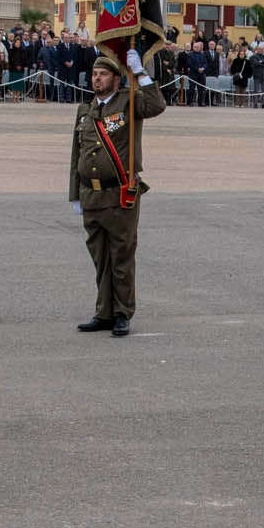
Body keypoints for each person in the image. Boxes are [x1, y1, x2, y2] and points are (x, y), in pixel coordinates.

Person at [70, 46, 165, 337]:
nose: (96, 79)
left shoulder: (129, 101)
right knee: (100, 259)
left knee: (121, 258)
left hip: (119, 195)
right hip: (91, 195)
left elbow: (157, 105)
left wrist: (139, 72)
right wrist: (74, 194)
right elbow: (76, 156)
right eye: (94, 74)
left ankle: (122, 313)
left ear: (115, 78)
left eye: (102, 74)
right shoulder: (86, 110)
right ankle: (104, 313)